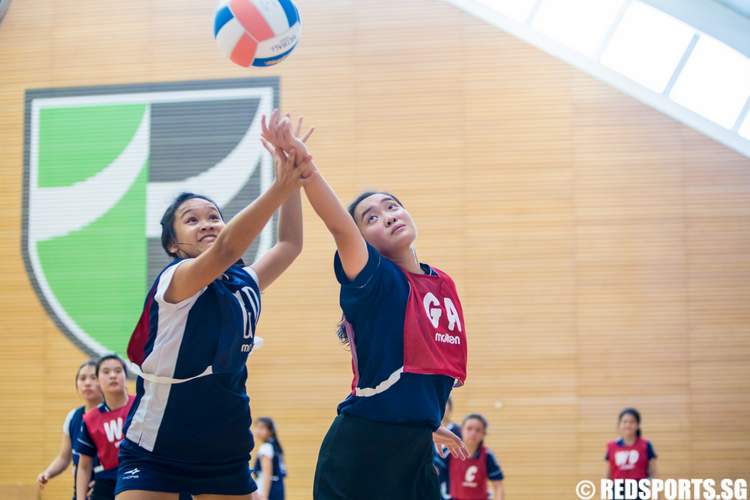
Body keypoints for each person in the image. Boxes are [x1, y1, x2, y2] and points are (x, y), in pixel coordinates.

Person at [260, 110, 469, 500]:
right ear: (363, 241)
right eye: (371, 218)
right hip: (361, 456)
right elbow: (339, 225)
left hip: (415, 451)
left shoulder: (442, 282)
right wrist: (305, 165)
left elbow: (422, 378)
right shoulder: (375, 279)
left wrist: (420, 423)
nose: (387, 217)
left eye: (391, 206)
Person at [115, 121, 311, 500]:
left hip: (225, 452)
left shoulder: (245, 285)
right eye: (192, 219)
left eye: (213, 216)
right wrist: (280, 186)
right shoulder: (175, 281)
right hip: (157, 449)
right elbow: (225, 250)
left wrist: (290, 171)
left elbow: (290, 244)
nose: (206, 223)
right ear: (173, 245)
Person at [37, 360, 103, 499]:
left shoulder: (112, 415)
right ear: (76, 386)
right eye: (82, 378)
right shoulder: (73, 417)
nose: (87, 383)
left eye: (93, 377)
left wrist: (104, 486)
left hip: (108, 491)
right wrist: (48, 473)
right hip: (80, 493)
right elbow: (63, 458)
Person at [76, 355, 135, 500]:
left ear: (125, 378)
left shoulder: (141, 405)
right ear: (97, 381)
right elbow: (83, 466)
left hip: (140, 473)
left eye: (118, 370)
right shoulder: (90, 419)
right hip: (108, 480)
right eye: (106, 372)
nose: (113, 375)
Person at [439, 414, 504, 500]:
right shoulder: (449, 452)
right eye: (469, 428)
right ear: (461, 430)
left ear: (484, 434)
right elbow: (435, 477)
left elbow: (498, 485)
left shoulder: (487, 455)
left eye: (478, 430)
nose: (473, 433)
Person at [605, 408, 657, 500]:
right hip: (617, 492)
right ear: (619, 425)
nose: (628, 425)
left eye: (632, 422)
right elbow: (608, 475)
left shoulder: (646, 445)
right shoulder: (611, 446)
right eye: (625, 422)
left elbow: (653, 474)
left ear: (637, 425)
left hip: (639, 492)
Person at [252, 417, 287, 500]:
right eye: (257, 427)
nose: (258, 431)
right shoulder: (275, 446)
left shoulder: (266, 448)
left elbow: (267, 474)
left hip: (269, 488)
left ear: (270, 431)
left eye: (262, 428)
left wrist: (264, 495)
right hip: (278, 487)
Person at [436, 397, 462, 499]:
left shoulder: (460, 431)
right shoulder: (426, 431)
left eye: (445, 404)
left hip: (452, 485)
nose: (442, 407)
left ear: (450, 408)